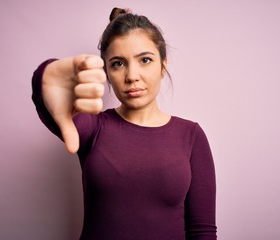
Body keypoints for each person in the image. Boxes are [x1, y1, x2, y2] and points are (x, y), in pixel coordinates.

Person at [31, 7, 217, 240]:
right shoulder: (92, 127)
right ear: (107, 71)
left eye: (145, 60)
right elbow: (49, 102)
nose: (132, 75)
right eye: (118, 63)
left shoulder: (191, 135)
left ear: (163, 64)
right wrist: (44, 75)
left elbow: (202, 231)